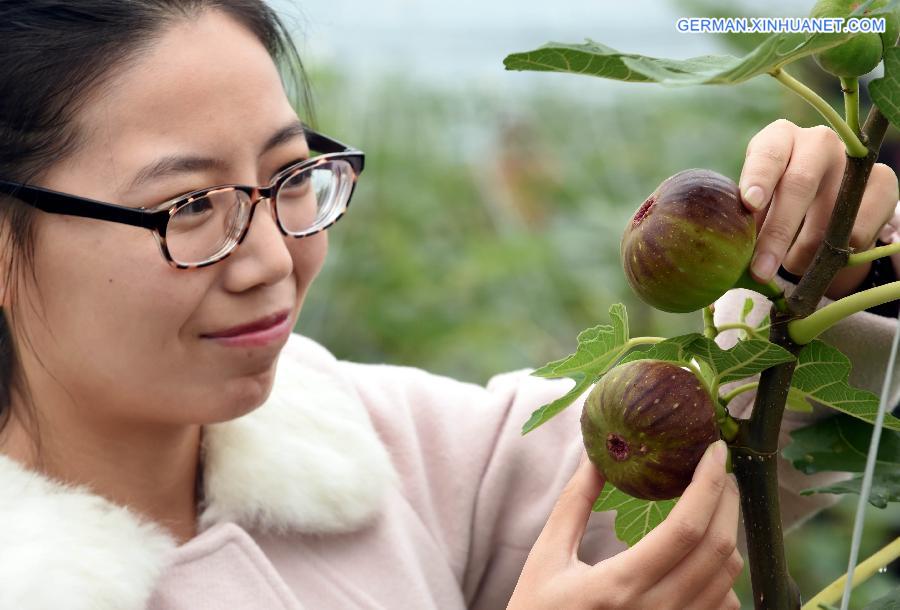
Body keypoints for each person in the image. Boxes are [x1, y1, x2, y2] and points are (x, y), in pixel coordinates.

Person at [0, 2, 897, 609]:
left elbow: (696, 453)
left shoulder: (371, 447)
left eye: (289, 177)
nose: (274, 259)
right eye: (192, 206)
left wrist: (812, 271)